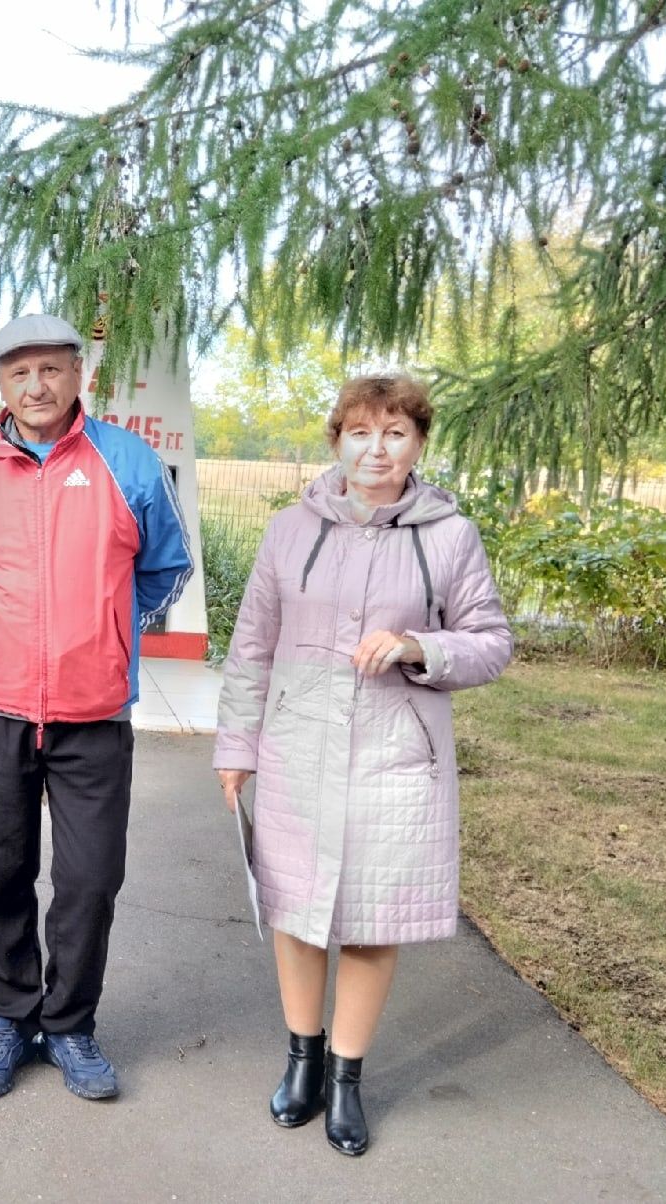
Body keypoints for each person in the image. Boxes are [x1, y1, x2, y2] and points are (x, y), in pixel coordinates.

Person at [214, 372, 512, 1156]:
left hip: (396, 756)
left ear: (418, 444)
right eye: (359, 432)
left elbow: (491, 641)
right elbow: (251, 647)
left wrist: (421, 647)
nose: (375, 449)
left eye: (394, 433)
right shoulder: (290, 530)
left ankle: (347, 1078)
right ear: (336, 441)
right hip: (298, 746)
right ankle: (301, 1062)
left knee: (375, 917)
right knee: (298, 909)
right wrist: (237, 747)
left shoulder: (452, 536)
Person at [0, 314, 194, 1101]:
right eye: (18, 373)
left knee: (89, 880)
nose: (35, 387)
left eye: (50, 369)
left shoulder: (128, 463)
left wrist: (104, 636)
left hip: (93, 711)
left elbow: (165, 569)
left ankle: (70, 1025)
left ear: (79, 375)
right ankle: (7, 1018)